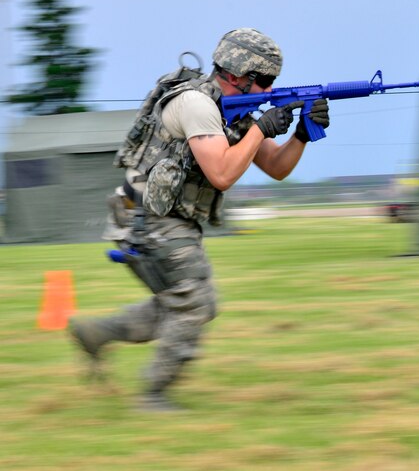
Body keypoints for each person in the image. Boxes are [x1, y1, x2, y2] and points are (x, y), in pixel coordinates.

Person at [69, 28, 329, 411]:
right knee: (193, 305)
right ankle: (153, 394)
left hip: (165, 219)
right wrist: (260, 129)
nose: (270, 89)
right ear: (241, 74)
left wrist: (303, 135)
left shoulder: (232, 110)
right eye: (267, 81)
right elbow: (222, 173)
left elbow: (275, 168)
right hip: (147, 219)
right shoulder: (197, 105)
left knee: (190, 304)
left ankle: (98, 333)